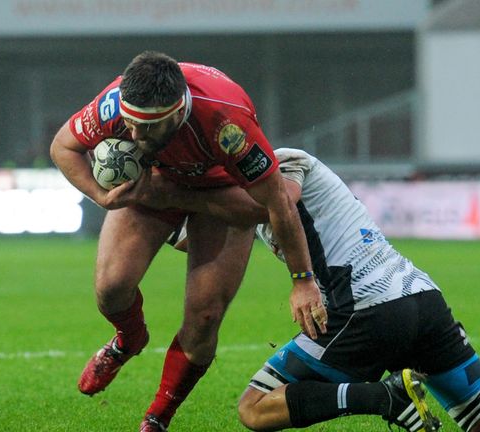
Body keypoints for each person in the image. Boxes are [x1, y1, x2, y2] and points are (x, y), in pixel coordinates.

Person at [169, 148, 480, 432]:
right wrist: (150, 203)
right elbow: (195, 238)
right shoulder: (242, 206)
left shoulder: (284, 161)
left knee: (254, 407)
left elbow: (279, 197)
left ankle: (385, 397)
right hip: (422, 302)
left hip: (364, 310)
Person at [49, 51, 326, 432]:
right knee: (111, 288)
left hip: (220, 192)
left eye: (146, 129)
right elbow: (62, 147)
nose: (133, 136)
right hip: (156, 184)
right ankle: (128, 340)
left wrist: (302, 280)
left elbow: (274, 203)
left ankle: (157, 418)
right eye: (130, 124)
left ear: (177, 115)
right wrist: (101, 196)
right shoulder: (115, 102)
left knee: (204, 319)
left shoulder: (226, 122)